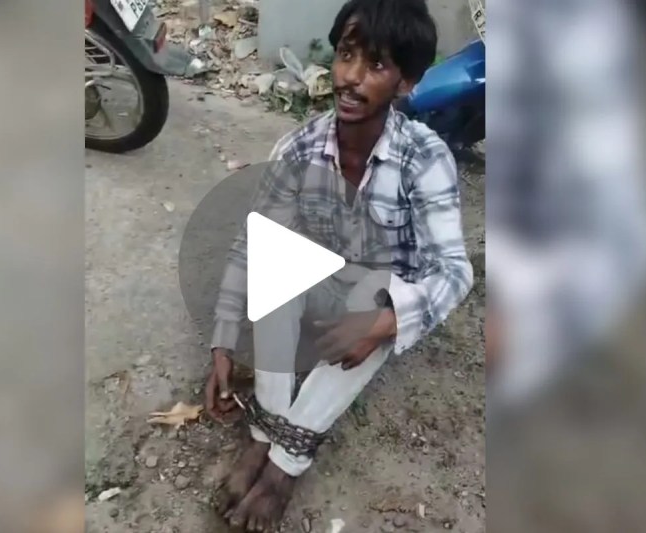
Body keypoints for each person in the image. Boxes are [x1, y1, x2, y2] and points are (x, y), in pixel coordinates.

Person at [204, 0, 474, 530]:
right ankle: (263, 433)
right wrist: (222, 341)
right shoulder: (299, 147)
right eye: (346, 55)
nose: (350, 77)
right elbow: (254, 242)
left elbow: (454, 270)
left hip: (379, 296)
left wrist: (386, 321)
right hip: (323, 278)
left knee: (371, 297)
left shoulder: (424, 157)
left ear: (405, 82)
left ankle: (285, 465)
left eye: (376, 64)